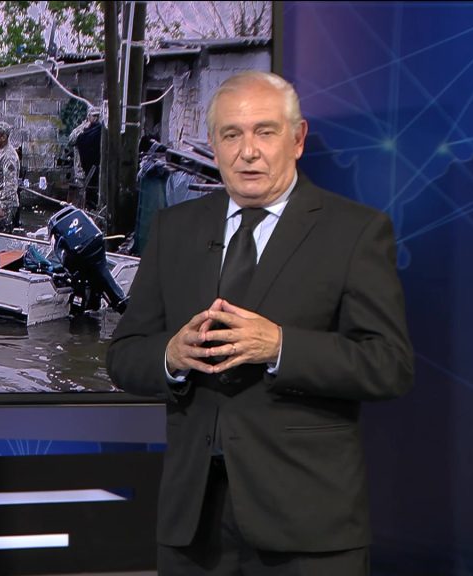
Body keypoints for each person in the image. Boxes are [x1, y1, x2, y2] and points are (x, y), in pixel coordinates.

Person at [106, 71, 414, 575]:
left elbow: (389, 364)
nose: (248, 151)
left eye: (265, 132)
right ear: (214, 144)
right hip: (192, 526)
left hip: (307, 528)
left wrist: (280, 347)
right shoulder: (175, 228)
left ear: (298, 139)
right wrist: (171, 356)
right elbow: (124, 355)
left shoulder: (355, 232)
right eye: (232, 134)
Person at [68, 106, 103, 208]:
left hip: (95, 169)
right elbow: (71, 140)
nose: (96, 118)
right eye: (94, 116)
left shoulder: (99, 129)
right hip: (81, 169)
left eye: (98, 116)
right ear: (88, 116)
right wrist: (82, 129)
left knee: (93, 193)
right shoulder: (82, 129)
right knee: (82, 193)